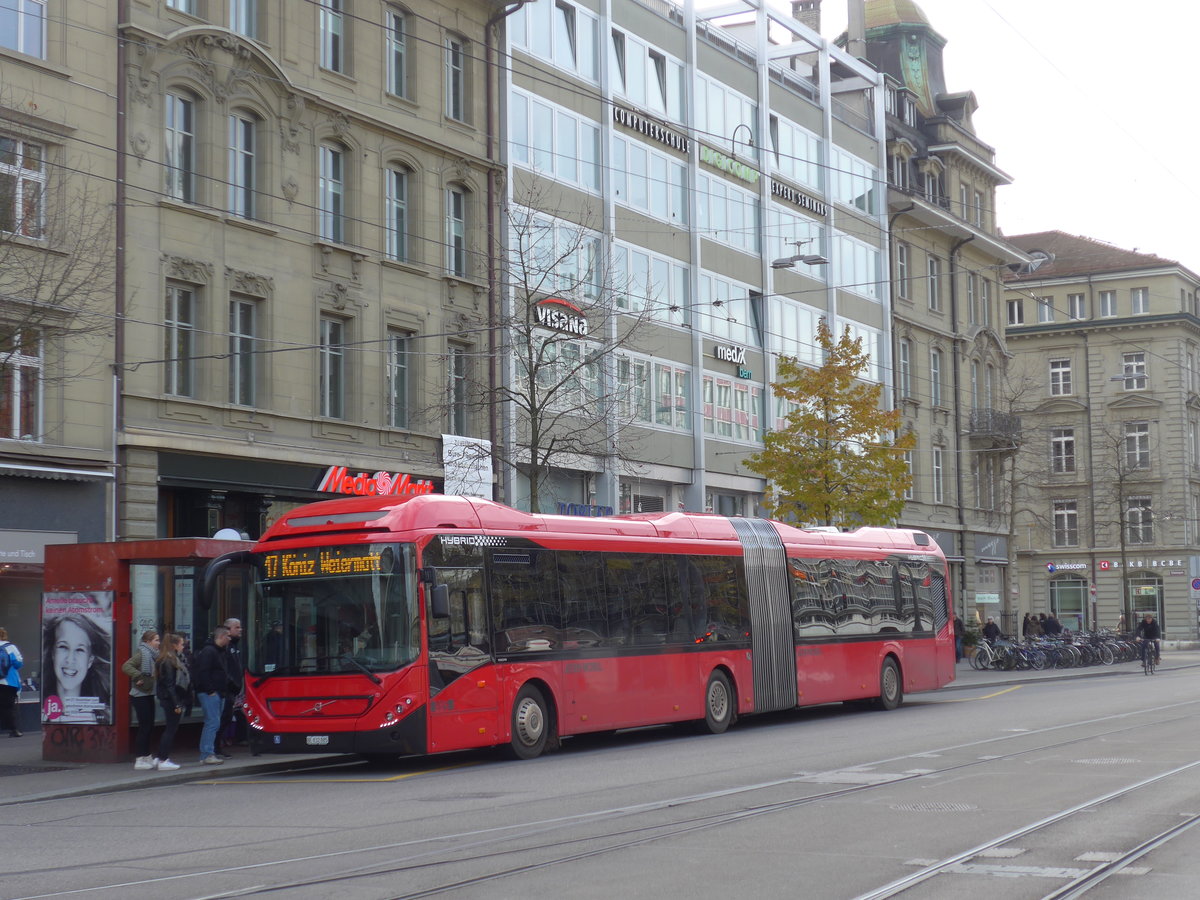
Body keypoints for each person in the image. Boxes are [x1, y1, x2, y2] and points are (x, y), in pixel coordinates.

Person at [42, 613, 112, 724]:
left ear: (90, 661)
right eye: (63, 647)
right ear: (53, 653)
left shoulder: (102, 719)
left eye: (80, 650)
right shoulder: (42, 713)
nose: (70, 660)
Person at [191, 625, 233, 765]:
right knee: (212, 722)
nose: (229, 638)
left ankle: (208, 753)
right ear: (221, 637)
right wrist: (210, 690)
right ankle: (207, 754)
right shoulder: (209, 651)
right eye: (227, 636)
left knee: (214, 722)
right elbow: (202, 672)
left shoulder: (219, 651)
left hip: (217, 692)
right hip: (210, 693)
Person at [121, 630, 160, 769]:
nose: (158, 643)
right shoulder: (142, 653)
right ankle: (139, 759)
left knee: (149, 726)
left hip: (149, 693)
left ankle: (147, 756)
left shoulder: (153, 655)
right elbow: (126, 666)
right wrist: (139, 677)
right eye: (156, 640)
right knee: (144, 727)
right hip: (139, 695)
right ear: (148, 641)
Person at [153, 633, 192, 771]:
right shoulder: (169, 661)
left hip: (169, 698)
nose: (183, 647)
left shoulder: (171, 659)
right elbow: (170, 685)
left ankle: (160, 757)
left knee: (169, 729)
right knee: (170, 729)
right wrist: (177, 703)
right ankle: (163, 759)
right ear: (174, 645)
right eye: (181, 644)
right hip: (171, 700)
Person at [219, 617, 245, 756]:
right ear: (227, 630)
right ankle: (215, 747)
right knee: (223, 718)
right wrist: (232, 684)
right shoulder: (225, 647)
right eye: (237, 627)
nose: (240, 630)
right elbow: (225, 670)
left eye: (240, 627)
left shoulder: (235, 646)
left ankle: (217, 747)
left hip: (233, 690)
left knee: (228, 717)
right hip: (226, 689)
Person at [0, 627, 23, 737]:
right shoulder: (10, 647)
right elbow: (18, 663)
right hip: (9, 682)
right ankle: (14, 730)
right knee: (9, 707)